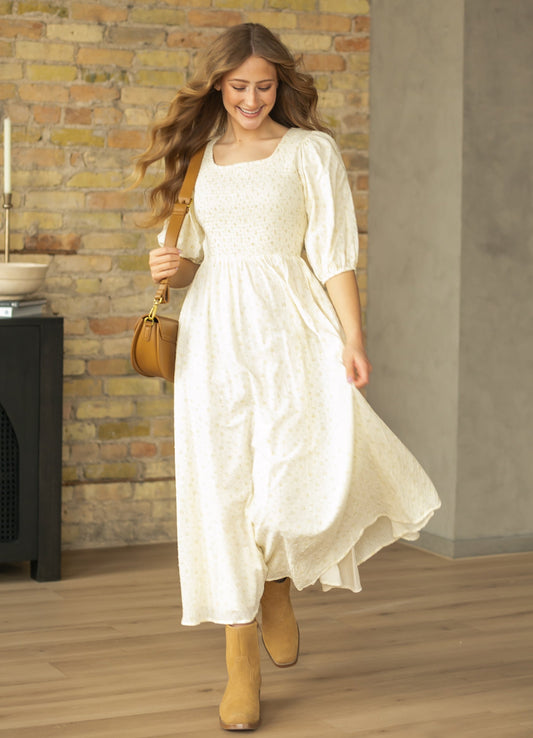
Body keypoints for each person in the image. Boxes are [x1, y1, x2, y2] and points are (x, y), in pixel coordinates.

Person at [134, 22, 441, 732]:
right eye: (239, 87)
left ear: (281, 85)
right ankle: (239, 658)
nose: (251, 99)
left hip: (294, 329)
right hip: (214, 336)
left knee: (291, 475)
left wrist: (353, 338)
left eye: (264, 87)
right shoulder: (199, 160)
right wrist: (172, 267)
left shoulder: (309, 151)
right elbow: (197, 260)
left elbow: (333, 254)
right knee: (221, 489)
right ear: (219, 85)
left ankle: (274, 579)